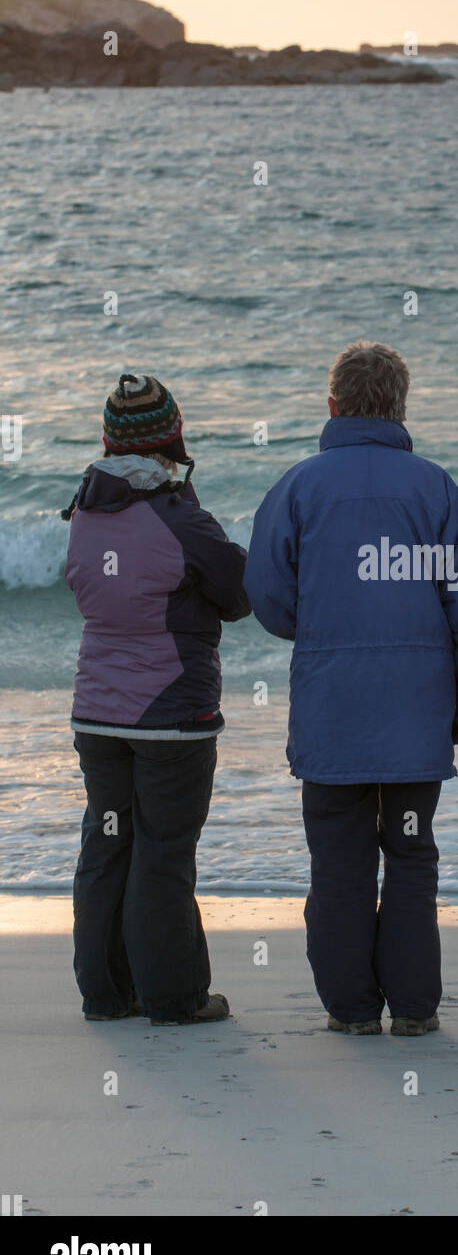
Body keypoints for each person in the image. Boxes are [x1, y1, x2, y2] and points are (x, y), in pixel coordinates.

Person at [244, 341, 458, 1036]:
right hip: (417, 707)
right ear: (400, 405)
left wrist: (323, 625)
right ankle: (414, 1008)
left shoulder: (298, 486)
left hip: (332, 701)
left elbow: (266, 594)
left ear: (332, 406)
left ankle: (351, 1009)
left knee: (337, 858)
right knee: (411, 851)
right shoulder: (433, 487)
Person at [63, 374, 250, 1025]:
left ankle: (106, 994)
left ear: (109, 441)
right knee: (163, 852)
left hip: (97, 712)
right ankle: (173, 997)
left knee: (108, 844)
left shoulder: (84, 512)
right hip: (172, 716)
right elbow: (237, 593)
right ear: (174, 436)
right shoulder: (182, 518)